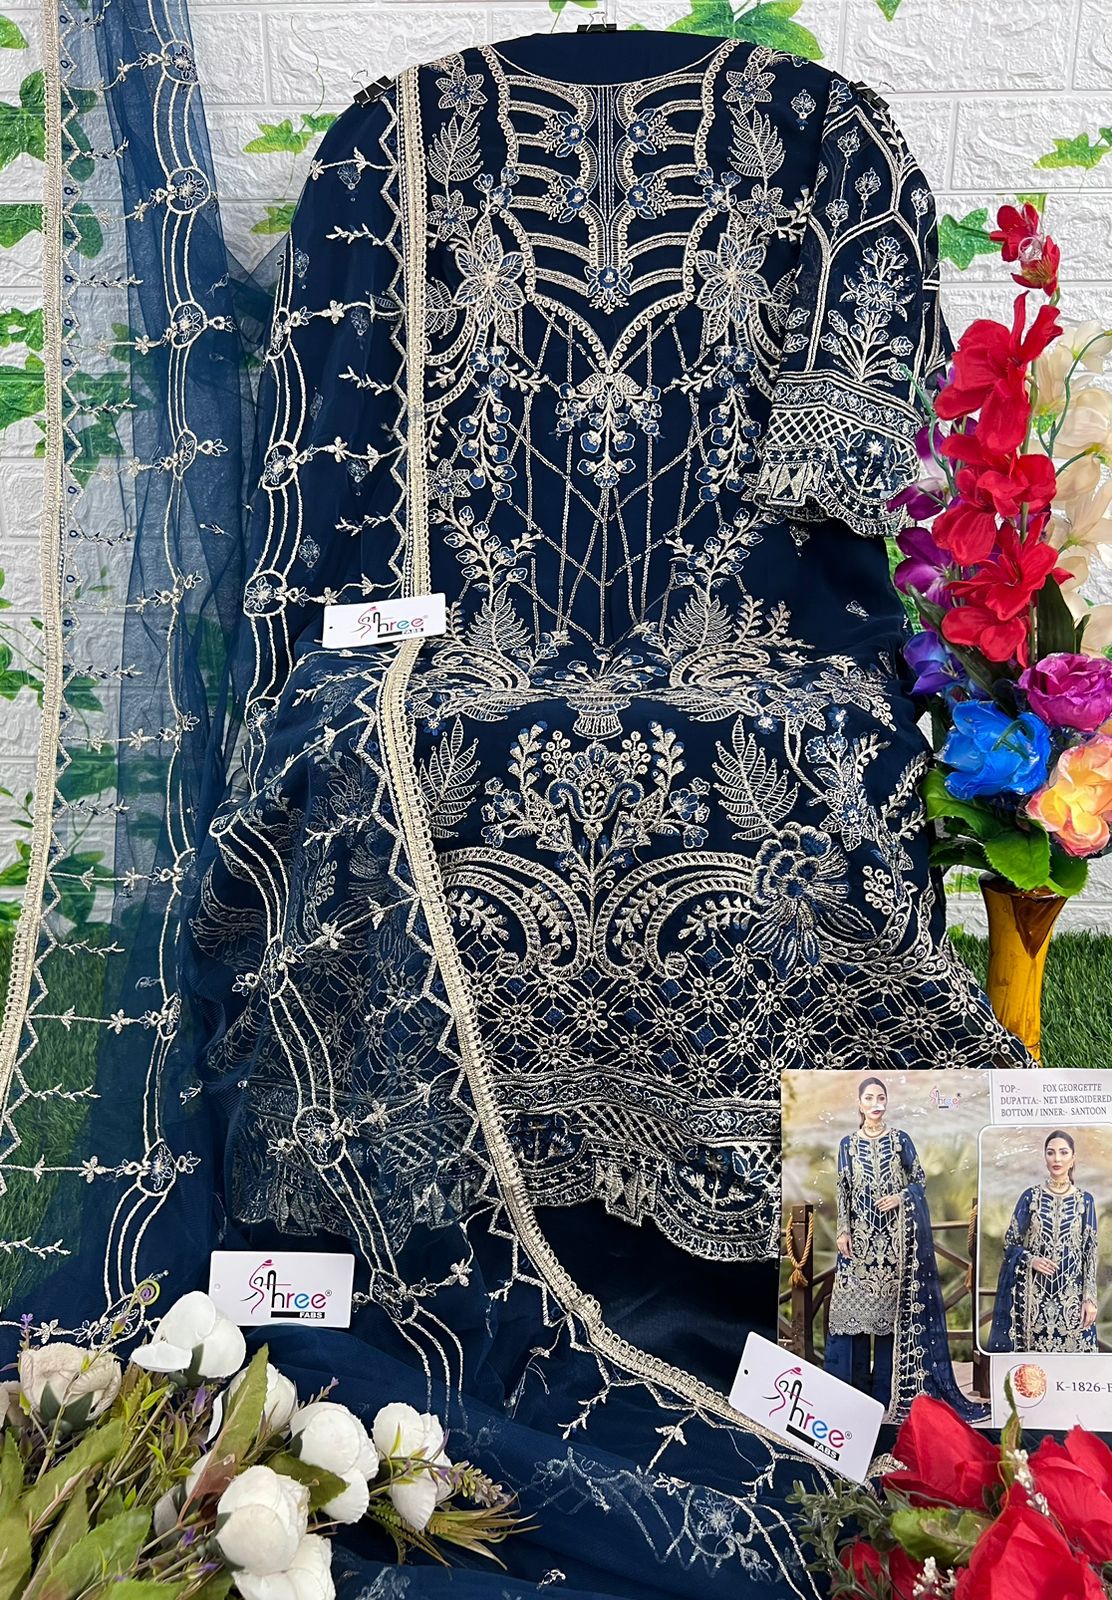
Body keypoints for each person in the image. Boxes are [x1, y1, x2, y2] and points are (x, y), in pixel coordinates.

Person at [824, 1077, 985, 1422]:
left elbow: (919, 1181)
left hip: (897, 1243)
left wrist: (901, 1197)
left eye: (881, 1097)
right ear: (860, 1103)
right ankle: (850, 1394)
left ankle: (886, 1394)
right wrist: (842, 1231)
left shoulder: (900, 1140)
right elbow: (843, 1190)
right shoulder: (847, 1145)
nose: (876, 1103)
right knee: (850, 1319)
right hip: (858, 1245)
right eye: (869, 1098)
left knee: (892, 1320)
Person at [987, 1130, 1099, 1353]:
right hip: (1034, 1298)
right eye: (1050, 1153)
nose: (1057, 1159)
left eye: (1063, 1153)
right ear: (1045, 1157)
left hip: (1072, 1299)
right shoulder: (1030, 1197)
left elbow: (1090, 1252)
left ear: (1073, 1158)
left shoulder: (1085, 1201)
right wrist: (1031, 1260)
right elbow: (1010, 1243)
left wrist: (1090, 1298)